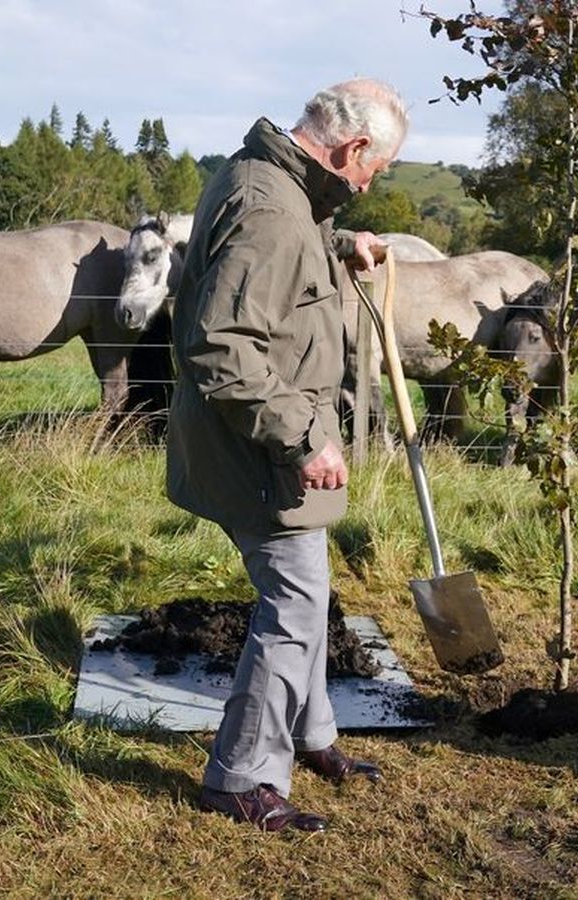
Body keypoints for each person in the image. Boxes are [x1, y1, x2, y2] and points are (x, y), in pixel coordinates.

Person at [165, 79, 407, 834]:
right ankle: (241, 776)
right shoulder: (273, 210)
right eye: (377, 170)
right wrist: (302, 441)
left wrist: (340, 247)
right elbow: (223, 346)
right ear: (353, 148)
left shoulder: (264, 180)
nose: (371, 186)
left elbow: (274, 263)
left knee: (308, 588)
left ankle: (313, 737)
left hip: (254, 440)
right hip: (263, 448)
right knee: (294, 604)